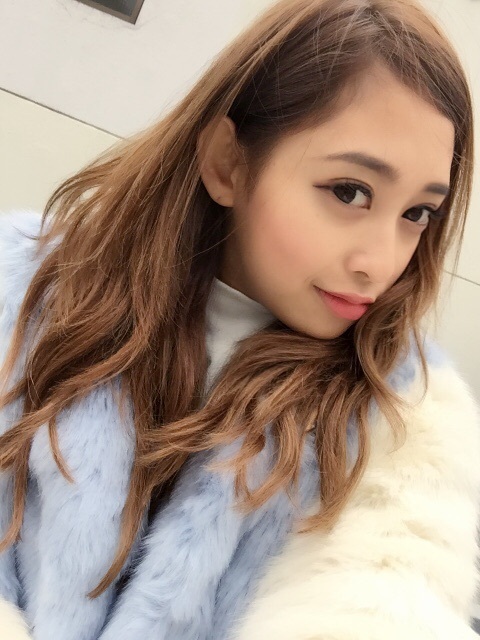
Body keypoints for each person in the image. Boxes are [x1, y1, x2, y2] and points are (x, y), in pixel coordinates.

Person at [1, 0, 479, 638]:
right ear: (227, 162)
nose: (381, 262)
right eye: (350, 192)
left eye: (417, 214)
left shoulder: (405, 422)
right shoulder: (23, 293)